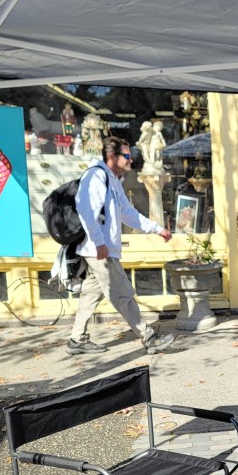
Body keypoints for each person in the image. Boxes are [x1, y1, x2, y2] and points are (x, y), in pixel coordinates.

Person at [66, 136, 176, 356]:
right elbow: (87, 212)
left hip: (102, 248)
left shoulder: (113, 181)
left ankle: (76, 339)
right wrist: (99, 243)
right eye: (126, 156)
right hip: (99, 250)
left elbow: (129, 214)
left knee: (90, 293)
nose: (131, 161)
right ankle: (148, 337)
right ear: (111, 156)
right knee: (122, 293)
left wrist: (156, 228)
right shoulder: (96, 176)